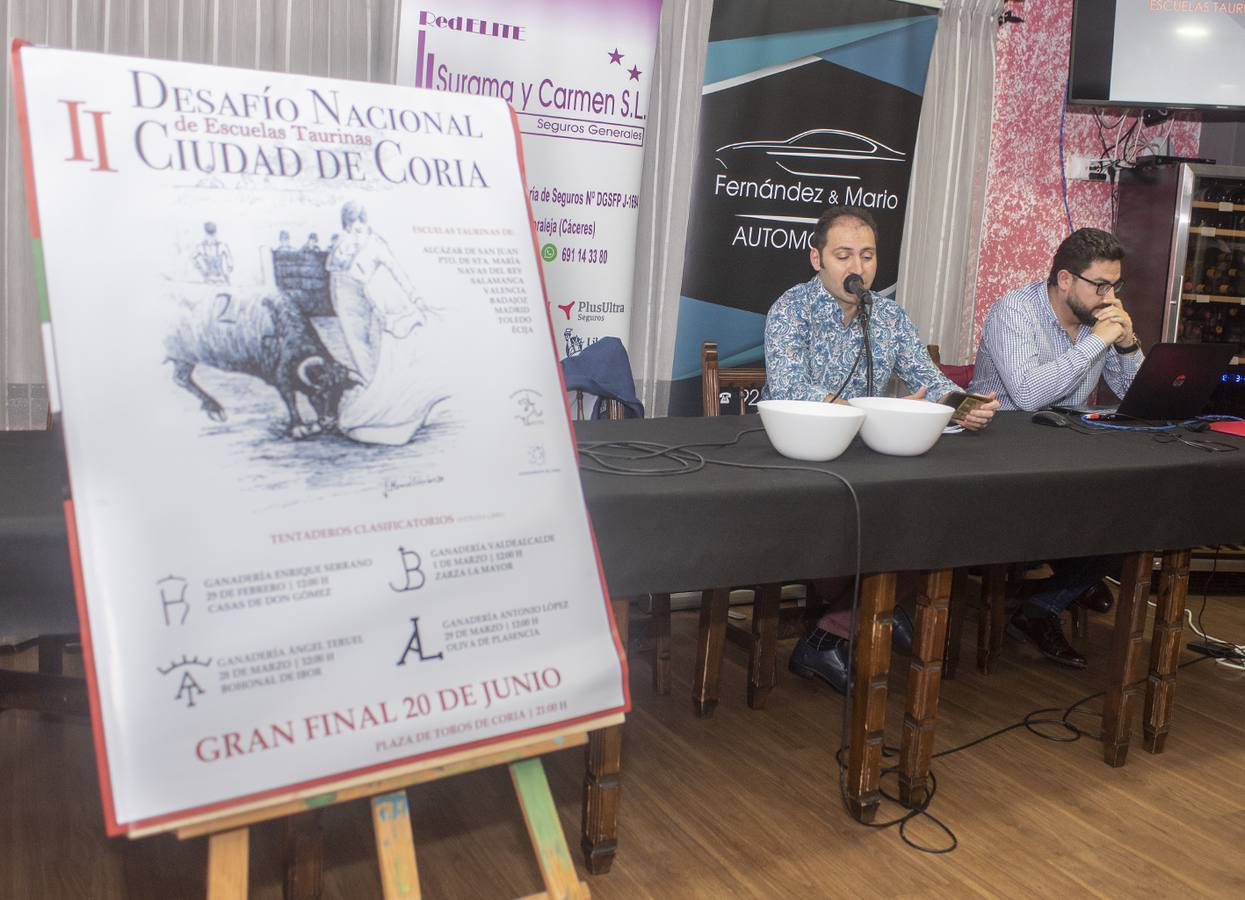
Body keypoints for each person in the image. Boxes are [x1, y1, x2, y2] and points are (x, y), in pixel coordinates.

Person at [763, 206, 999, 693]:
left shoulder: (888, 315)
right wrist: (870, 409)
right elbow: (789, 389)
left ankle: (846, 625)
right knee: (861, 525)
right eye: (844, 255)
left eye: (867, 256)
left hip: (871, 456)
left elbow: (927, 379)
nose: (858, 268)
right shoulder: (791, 309)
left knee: (934, 511)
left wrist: (964, 407)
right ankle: (871, 613)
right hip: (807, 458)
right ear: (817, 259)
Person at [968, 227, 1141, 668]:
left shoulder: (1097, 318)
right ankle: (1075, 577)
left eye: (1115, 285)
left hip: (1067, 446)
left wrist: (1126, 345)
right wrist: (1097, 342)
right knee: (1088, 510)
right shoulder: (1014, 311)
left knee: (1138, 501)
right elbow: (1028, 395)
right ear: (1065, 279)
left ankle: (1047, 601)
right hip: (1003, 447)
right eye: (1100, 285)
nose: (1109, 296)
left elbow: (1135, 397)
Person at [327, 201, 443, 445]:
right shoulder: (341, 243)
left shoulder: (376, 244)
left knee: (375, 349)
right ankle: (375, 401)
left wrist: (416, 298)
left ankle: (381, 405)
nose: (355, 229)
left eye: (359, 224)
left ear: (365, 223)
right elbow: (332, 268)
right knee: (357, 348)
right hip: (344, 297)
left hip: (366, 297)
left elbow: (397, 270)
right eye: (350, 225)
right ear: (345, 225)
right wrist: (343, 254)